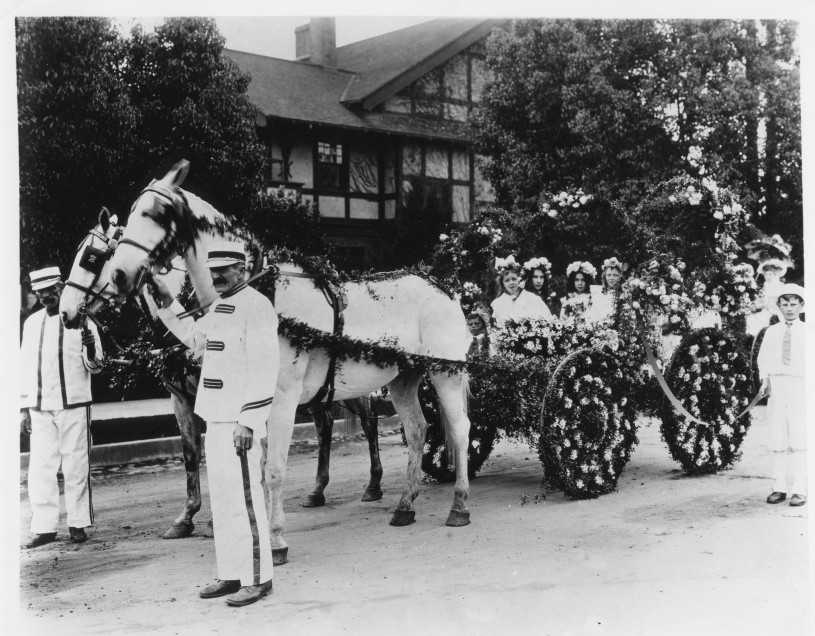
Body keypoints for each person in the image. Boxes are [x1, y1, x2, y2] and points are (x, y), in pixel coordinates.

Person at [149, 240, 278, 607]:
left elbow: (265, 369)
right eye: (213, 271)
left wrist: (249, 421)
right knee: (223, 502)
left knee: (246, 501)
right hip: (217, 419)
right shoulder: (221, 307)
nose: (217, 276)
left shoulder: (257, 306)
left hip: (240, 423)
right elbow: (193, 337)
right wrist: (165, 301)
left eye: (225, 270)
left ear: (242, 270)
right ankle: (232, 572)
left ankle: (259, 578)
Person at [20, 266, 103, 548]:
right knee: (40, 467)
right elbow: (24, 368)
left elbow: (96, 365)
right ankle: (44, 527)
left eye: (50, 290)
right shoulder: (31, 324)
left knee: (76, 465)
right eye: (40, 291)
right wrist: (23, 407)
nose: (46, 296)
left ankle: (78, 523)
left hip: (74, 403)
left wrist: (91, 349)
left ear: (62, 288)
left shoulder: (83, 320)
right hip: (40, 406)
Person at [757, 283, 806, 507]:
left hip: (800, 386)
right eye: (785, 304)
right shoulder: (772, 332)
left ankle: (800, 489)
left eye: (793, 304)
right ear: (778, 306)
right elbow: (763, 359)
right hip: (777, 386)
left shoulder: (808, 331)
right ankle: (779, 487)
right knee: (777, 437)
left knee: (799, 438)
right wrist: (765, 380)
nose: (789, 308)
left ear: (801, 306)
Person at [490, 255, 552, 327]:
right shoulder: (498, 303)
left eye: (513, 279)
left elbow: (547, 321)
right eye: (507, 280)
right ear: (502, 283)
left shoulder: (532, 298)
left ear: (519, 279)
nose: (511, 283)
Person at [588, 257, 623, 323]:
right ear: (605, 276)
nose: (611, 278)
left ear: (620, 277)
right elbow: (594, 316)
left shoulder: (623, 295)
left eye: (615, 275)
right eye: (609, 275)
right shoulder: (598, 295)